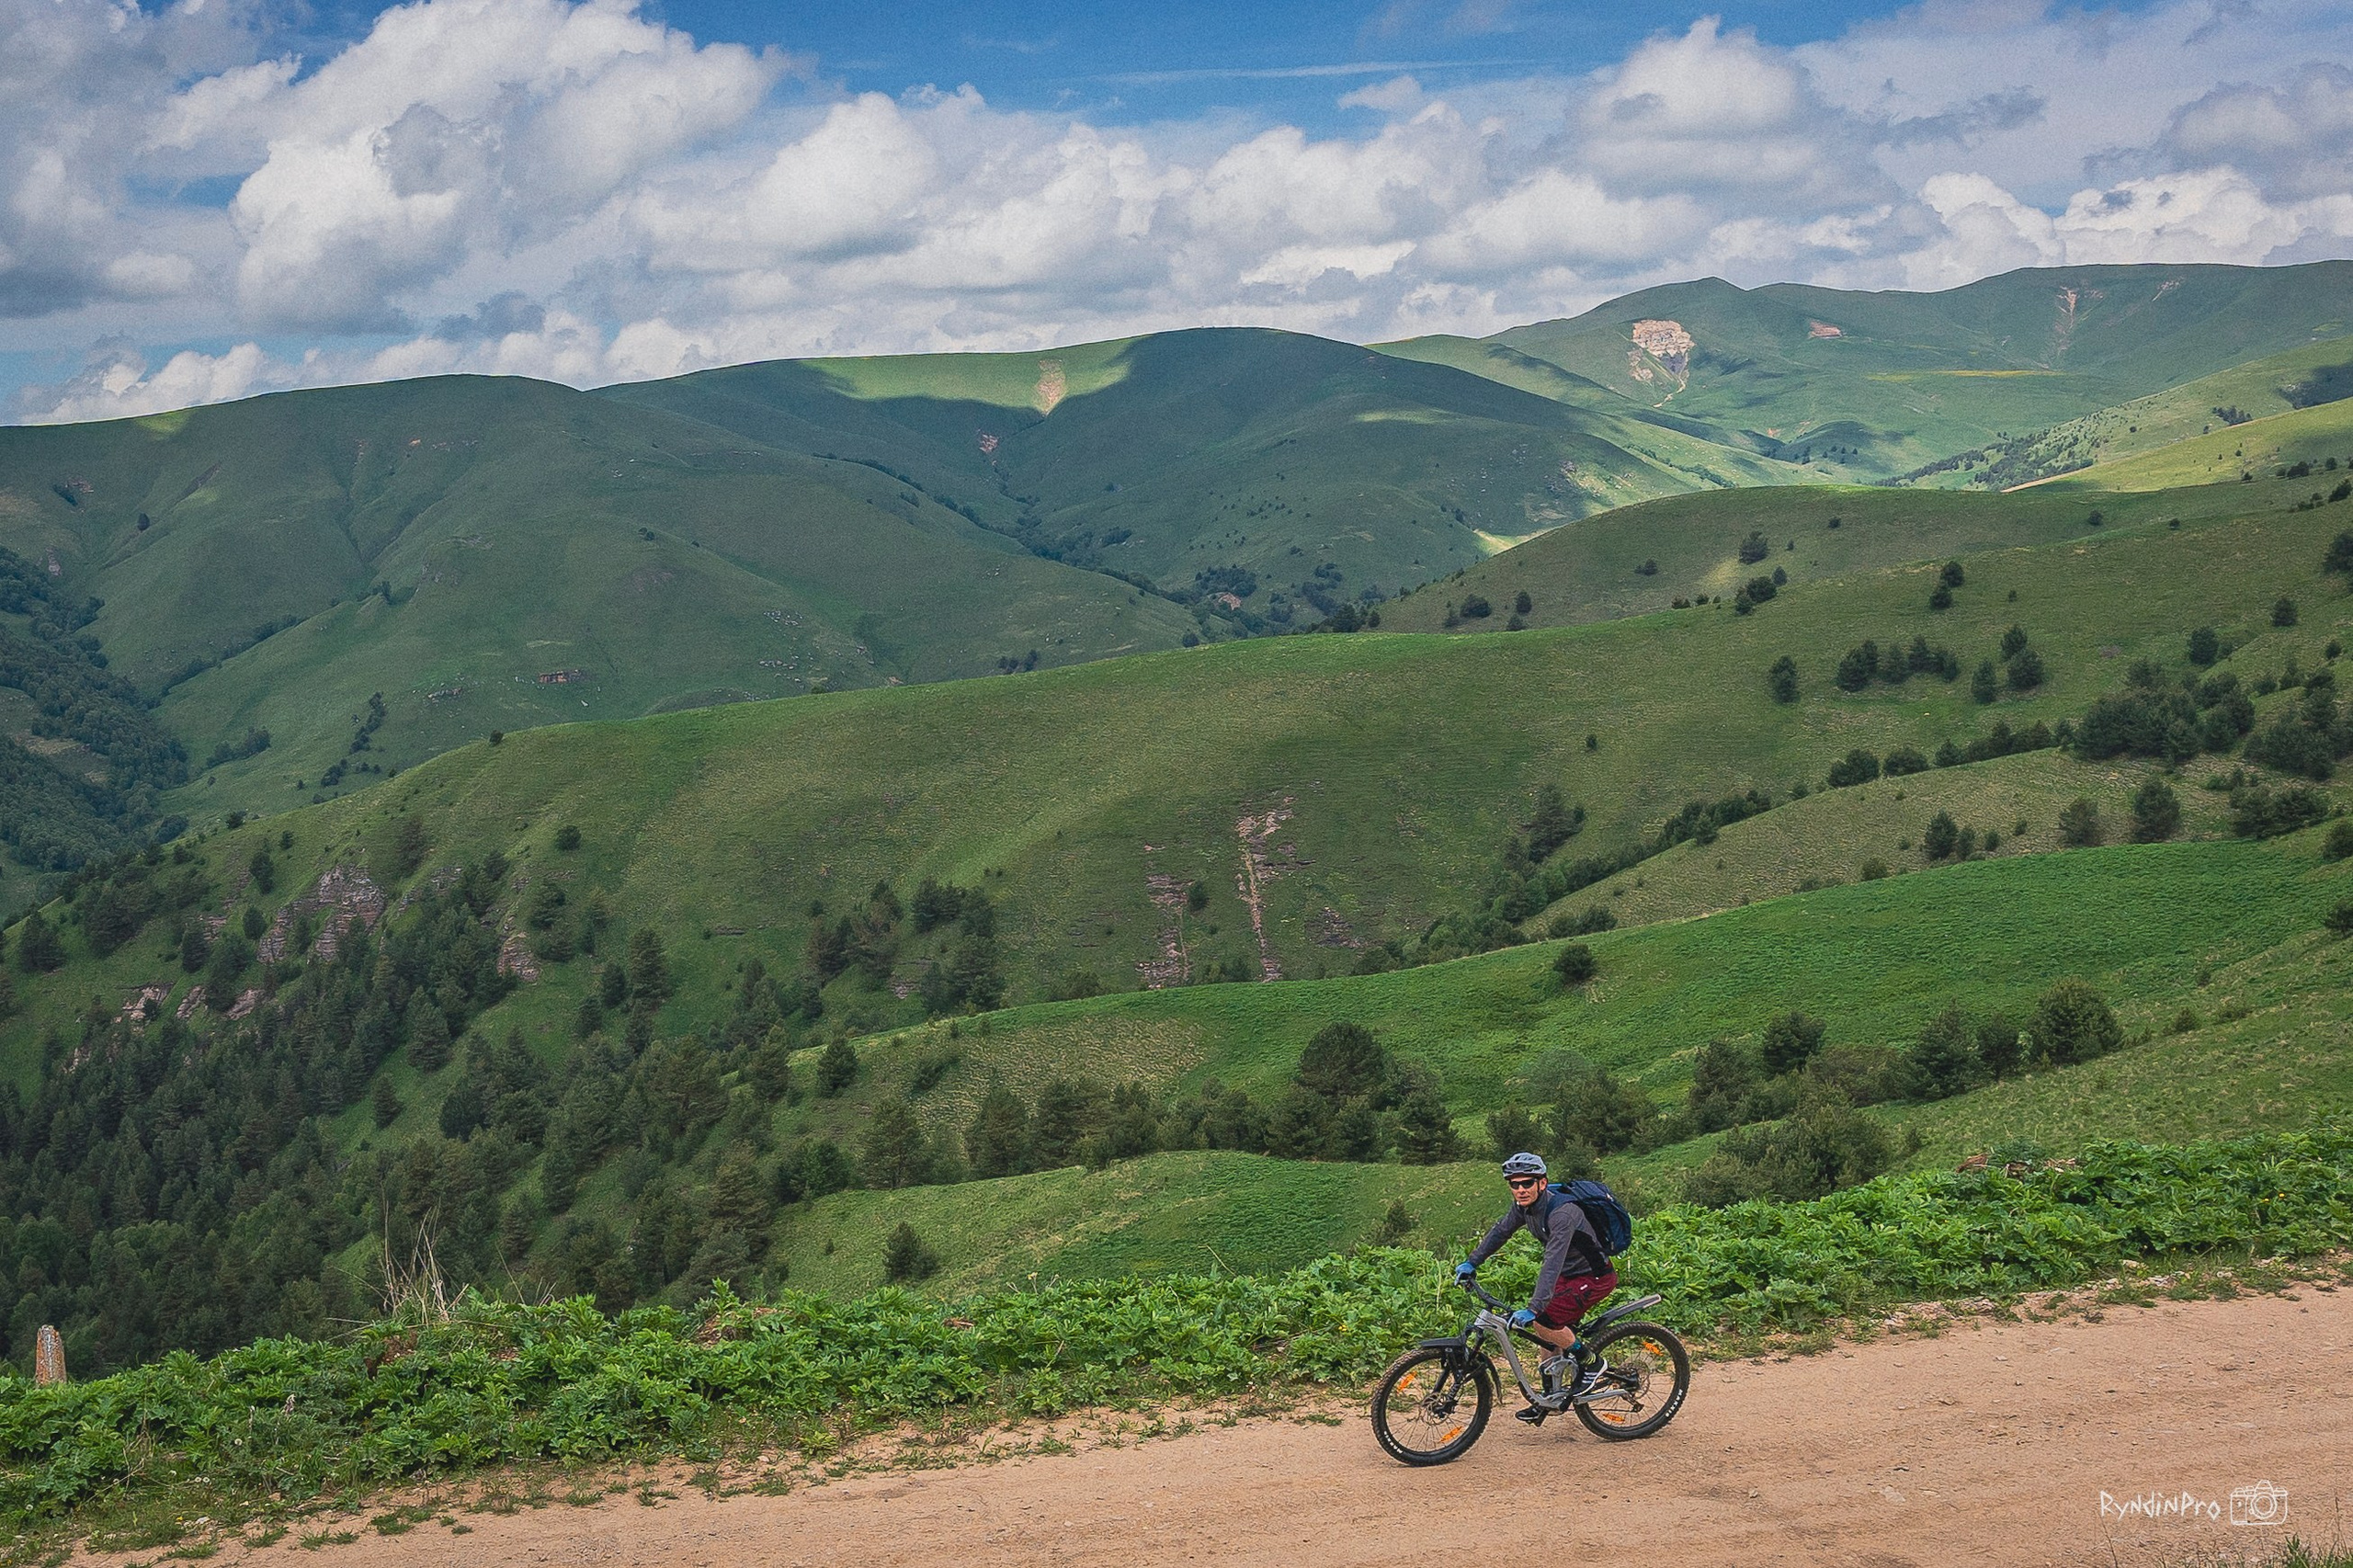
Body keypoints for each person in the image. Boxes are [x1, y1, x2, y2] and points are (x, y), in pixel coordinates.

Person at [1455, 1151, 1618, 1424]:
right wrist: (1471, 1262)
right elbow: (1500, 1232)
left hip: (1594, 1277)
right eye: (1514, 1184)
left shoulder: (1563, 1213)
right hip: (1569, 1275)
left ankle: (1591, 1363)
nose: (1520, 1189)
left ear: (1542, 1183)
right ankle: (1549, 1397)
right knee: (1545, 1330)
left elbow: (1551, 1262)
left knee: (1544, 1322)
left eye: (1527, 1183)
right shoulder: (1525, 1207)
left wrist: (1534, 1308)